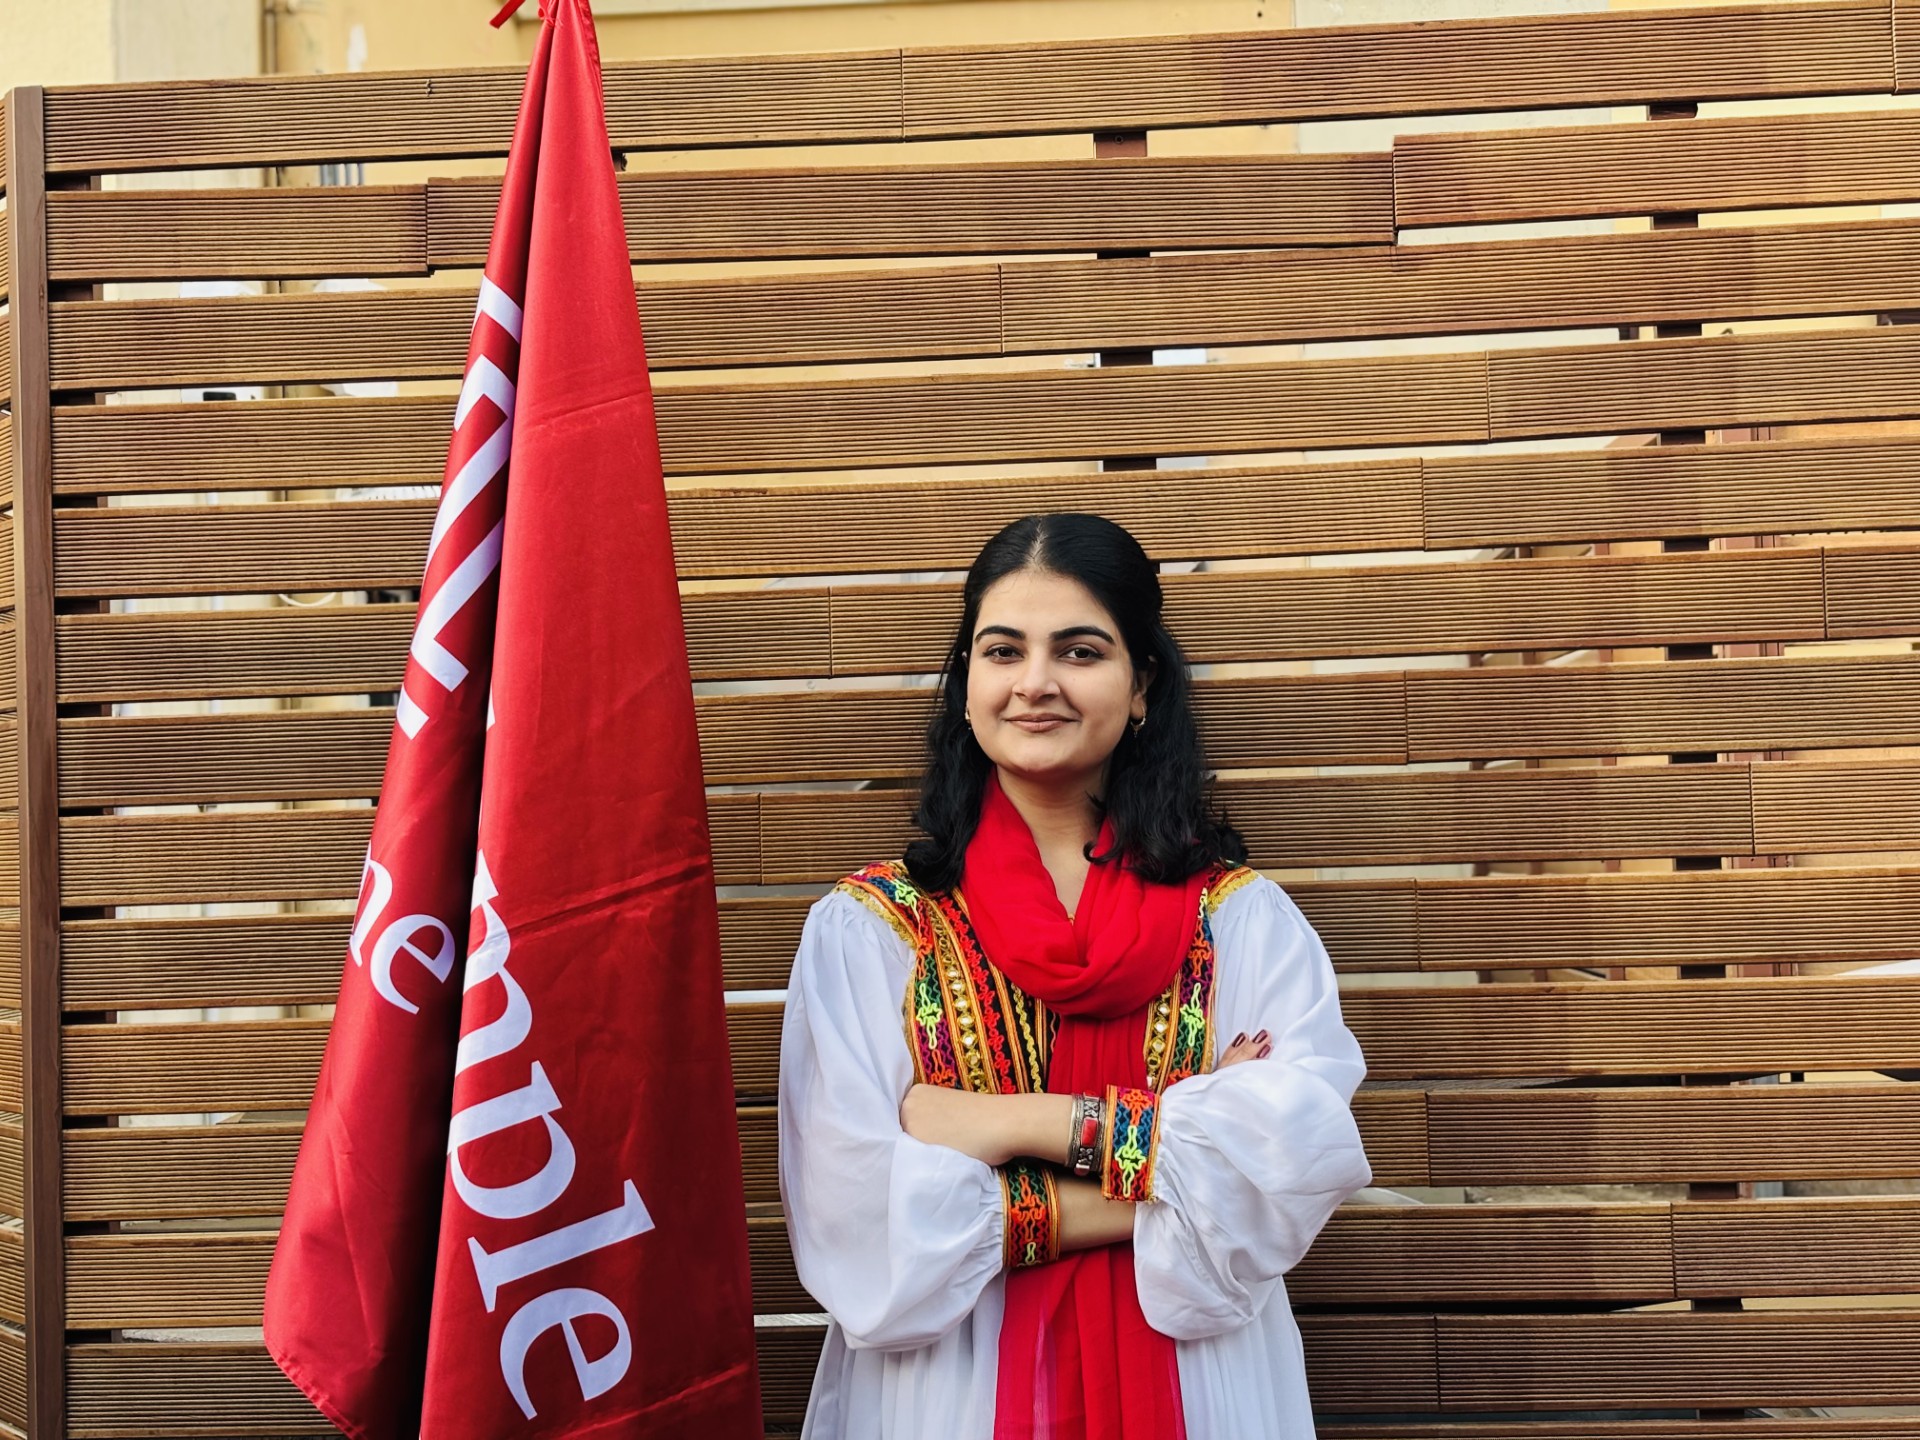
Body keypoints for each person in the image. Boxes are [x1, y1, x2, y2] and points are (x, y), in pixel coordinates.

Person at [778, 513, 1372, 1439]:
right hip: (947, 1392)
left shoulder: (1240, 920)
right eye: (1003, 651)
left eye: (1080, 651)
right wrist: (1174, 1157)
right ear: (966, 687)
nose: (1035, 682)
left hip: (1200, 1382)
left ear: (1142, 688)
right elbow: (857, 1226)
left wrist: (1014, 1123)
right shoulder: (873, 931)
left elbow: (1289, 1172)